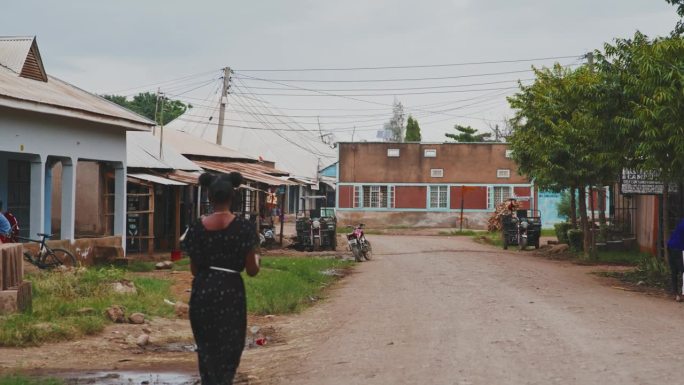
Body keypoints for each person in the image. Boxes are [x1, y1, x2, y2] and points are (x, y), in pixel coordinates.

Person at [181, 172, 260, 384]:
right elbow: (252, 270)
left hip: (203, 292)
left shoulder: (196, 228)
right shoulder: (244, 228)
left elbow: (194, 270)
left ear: (209, 196)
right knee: (230, 346)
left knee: (206, 347)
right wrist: (257, 259)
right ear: (232, 196)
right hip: (231, 293)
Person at [668, 219, 684, 302]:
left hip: (671, 246)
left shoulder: (681, 222)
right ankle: (681, 294)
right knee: (682, 271)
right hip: (679, 249)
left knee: (674, 271)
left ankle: (675, 293)